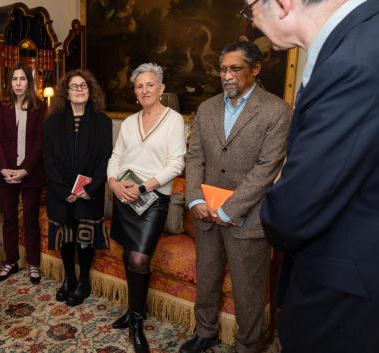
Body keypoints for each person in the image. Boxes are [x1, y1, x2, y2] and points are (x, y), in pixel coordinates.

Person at [250, 1, 379, 352]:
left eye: (249, 9)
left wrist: (269, 209)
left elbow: (292, 212)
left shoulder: (352, 61)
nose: (251, 22)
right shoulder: (358, 38)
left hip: (345, 301)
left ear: (281, 4)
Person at [179, 41, 290, 353]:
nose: (226, 76)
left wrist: (229, 210)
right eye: (222, 69)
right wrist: (194, 200)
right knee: (207, 278)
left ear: (255, 69)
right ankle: (205, 332)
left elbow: (267, 169)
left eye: (235, 69)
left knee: (248, 290)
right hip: (205, 216)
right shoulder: (207, 108)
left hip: (248, 219)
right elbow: (194, 158)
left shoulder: (276, 110)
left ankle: (249, 344)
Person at [107, 63, 186, 353]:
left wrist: (142, 187)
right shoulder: (128, 123)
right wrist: (113, 182)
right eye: (139, 86)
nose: (145, 90)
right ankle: (132, 311)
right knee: (128, 253)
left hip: (153, 199)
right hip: (124, 196)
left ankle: (136, 325)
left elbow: (176, 164)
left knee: (140, 258)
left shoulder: (174, 120)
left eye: (150, 84)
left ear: (161, 89)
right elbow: (116, 156)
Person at [43, 69, 112, 307]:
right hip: (61, 193)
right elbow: (48, 160)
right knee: (66, 238)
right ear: (66, 92)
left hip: (88, 194)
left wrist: (89, 190)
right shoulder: (52, 122)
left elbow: (106, 159)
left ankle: (83, 280)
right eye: (75, 87)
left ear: (90, 90)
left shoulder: (102, 121)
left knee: (84, 238)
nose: (80, 90)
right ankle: (69, 278)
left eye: (84, 86)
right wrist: (65, 191)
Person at [0, 62, 46, 284]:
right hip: (6, 174)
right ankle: (10, 261)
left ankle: (33, 263)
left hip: (30, 173)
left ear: (29, 82)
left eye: (23, 79)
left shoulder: (39, 107)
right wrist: (4, 168)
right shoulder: (2, 107)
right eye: (15, 79)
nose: (18, 83)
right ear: (10, 82)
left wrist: (24, 170)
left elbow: (40, 144)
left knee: (31, 219)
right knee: (9, 219)